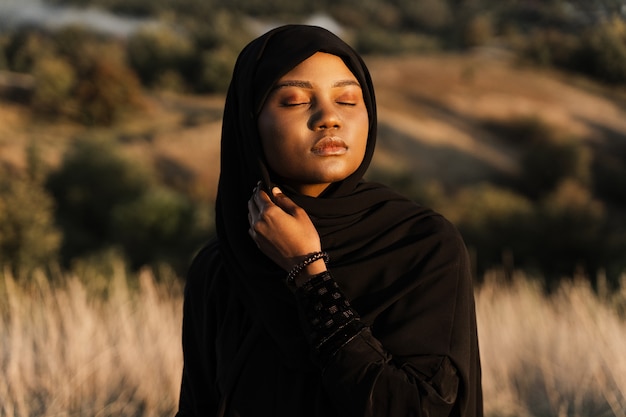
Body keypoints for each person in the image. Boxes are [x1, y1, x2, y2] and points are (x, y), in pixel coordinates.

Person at [175, 24, 482, 417]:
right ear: (248, 124)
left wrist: (310, 276)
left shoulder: (420, 246)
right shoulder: (223, 264)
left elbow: (417, 409)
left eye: (348, 100)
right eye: (294, 101)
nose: (329, 118)